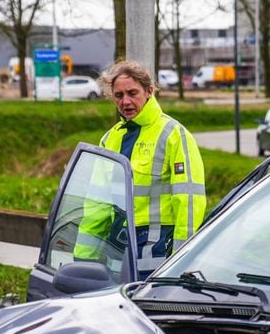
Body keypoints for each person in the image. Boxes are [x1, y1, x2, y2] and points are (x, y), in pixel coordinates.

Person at [76, 60, 204, 275]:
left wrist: (181, 258)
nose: (125, 101)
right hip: (117, 247)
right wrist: (81, 258)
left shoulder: (174, 135)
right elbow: (97, 204)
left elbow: (189, 202)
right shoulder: (110, 139)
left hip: (158, 249)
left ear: (149, 91)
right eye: (119, 95)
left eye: (132, 93)